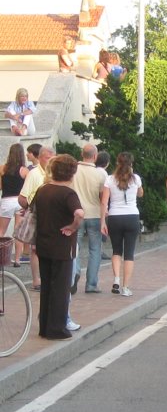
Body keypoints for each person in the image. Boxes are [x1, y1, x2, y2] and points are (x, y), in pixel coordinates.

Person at [34, 155, 84, 340]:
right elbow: (79, 213)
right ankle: (57, 329)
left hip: (43, 243)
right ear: (71, 173)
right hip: (62, 246)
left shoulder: (43, 190)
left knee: (47, 286)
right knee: (61, 288)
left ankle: (44, 327)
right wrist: (73, 227)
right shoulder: (68, 194)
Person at [100, 152, 143, 297]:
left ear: (117, 163)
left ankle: (116, 280)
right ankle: (125, 288)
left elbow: (104, 202)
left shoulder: (110, 179)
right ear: (131, 164)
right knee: (129, 254)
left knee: (116, 251)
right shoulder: (136, 178)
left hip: (115, 217)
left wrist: (102, 222)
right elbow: (140, 194)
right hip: (132, 216)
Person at [19, 146, 56, 291]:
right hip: (38, 216)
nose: (50, 161)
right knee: (35, 248)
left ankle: (50, 277)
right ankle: (36, 280)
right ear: (39, 158)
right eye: (48, 158)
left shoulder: (55, 173)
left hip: (53, 216)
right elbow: (22, 197)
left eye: (53, 158)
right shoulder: (34, 174)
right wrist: (30, 208)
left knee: (51, 247)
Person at [71, 144, 106, 293]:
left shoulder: (73, 171)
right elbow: (103, 197)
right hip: (94, 214)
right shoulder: (101, 174)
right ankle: (91, 284)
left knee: (75, 247)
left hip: (76, 213)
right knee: (95, 249)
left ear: (81, 154)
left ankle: (75, 272)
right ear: (95, 156)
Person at [0, 143, 29, 266]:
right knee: (18, 232)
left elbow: (1, 187)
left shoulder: (2, 168)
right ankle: (17, 259)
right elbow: (28, 188)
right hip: (19, 201)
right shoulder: (24, 170)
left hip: (6, 200)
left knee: (1, 230)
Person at [95, 151, 111, 260]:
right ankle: (99, 251)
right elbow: (104, 193)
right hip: (99, 206)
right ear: (107, 162)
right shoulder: (104, 174)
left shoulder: (94, 171)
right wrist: (105, 209)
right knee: (100, 230)